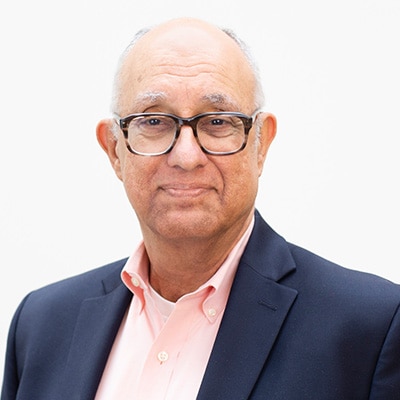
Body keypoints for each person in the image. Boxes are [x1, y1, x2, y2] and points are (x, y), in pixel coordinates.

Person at [1, 17, 400, 400]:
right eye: (154, 121)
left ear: (261, 144)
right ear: (114, 150)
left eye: (218, 122)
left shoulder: (370, 329)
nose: (186, 156)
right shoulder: (41, 326)